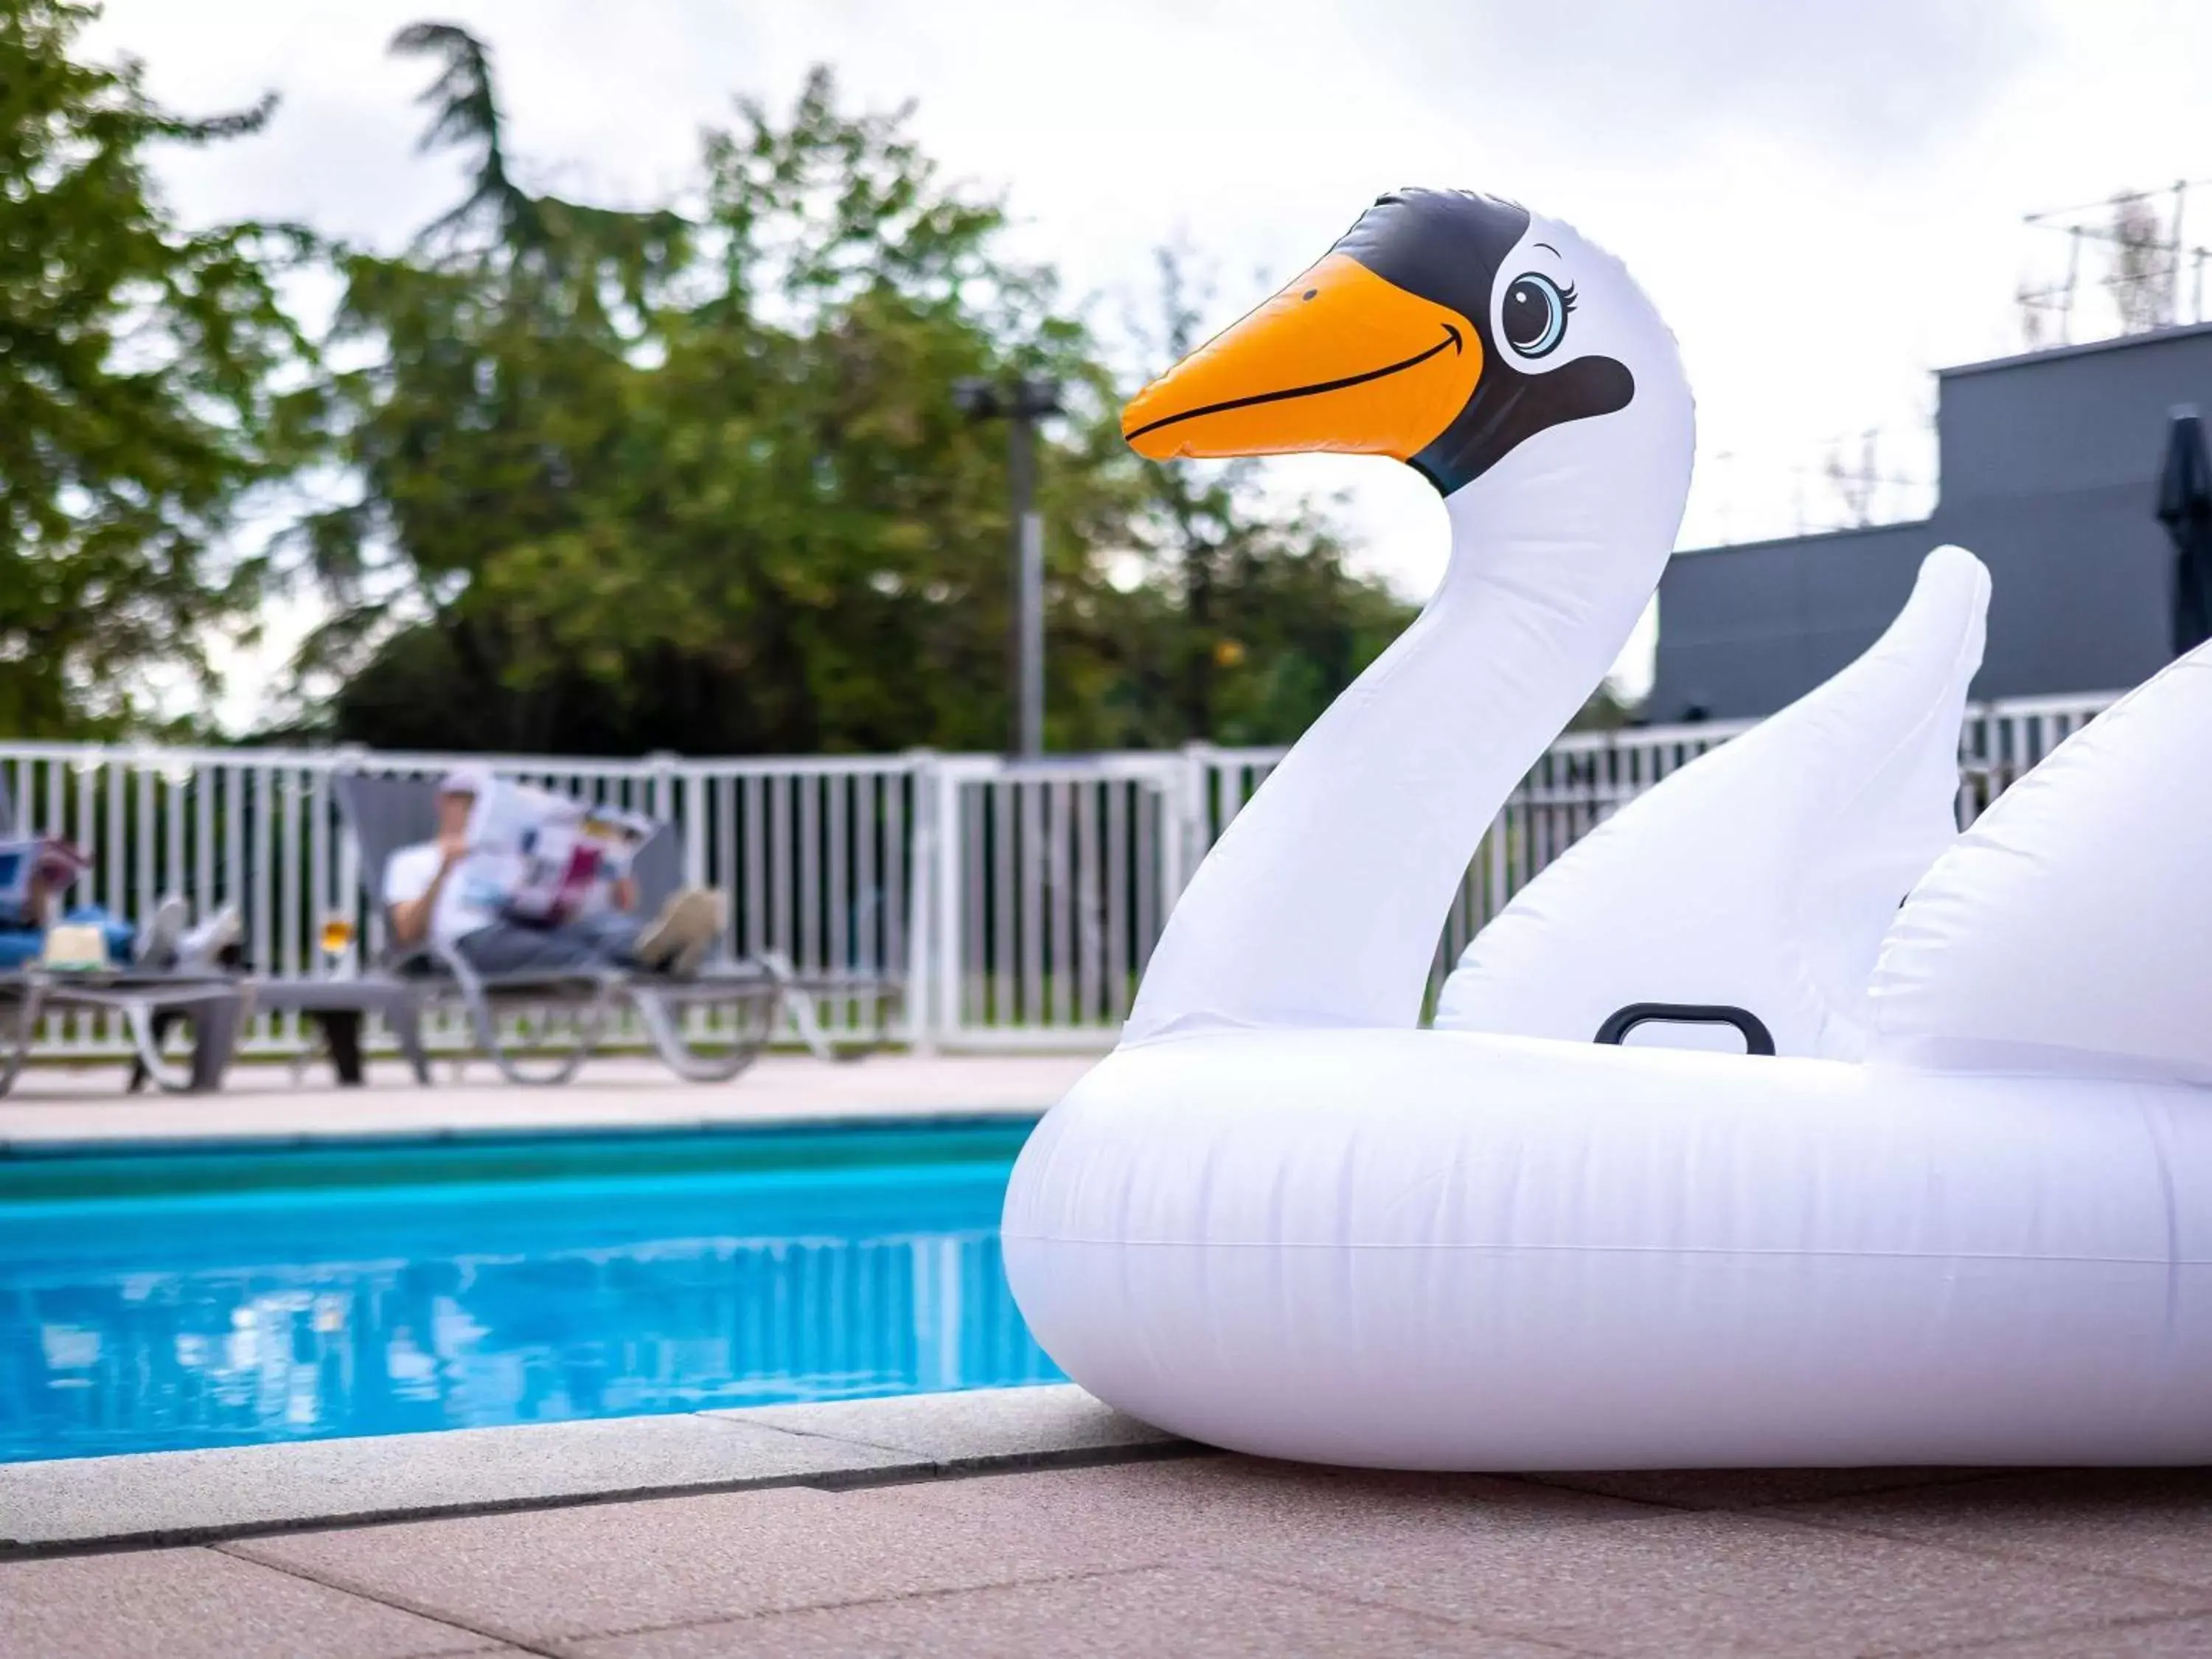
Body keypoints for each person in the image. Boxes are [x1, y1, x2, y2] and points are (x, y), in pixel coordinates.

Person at [383, 767, 724, 977]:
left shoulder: (515, 851)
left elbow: (622, 904)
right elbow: (408, 932)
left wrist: (611, 869)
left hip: (540, 924)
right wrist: (444, 872)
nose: (472, 808)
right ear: (444, 803)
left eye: (480, 801)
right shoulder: (413, 861)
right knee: (576, 956)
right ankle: (662, 963)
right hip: (472, 939)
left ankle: (669, 947)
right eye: (467, 799)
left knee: (606, 930)